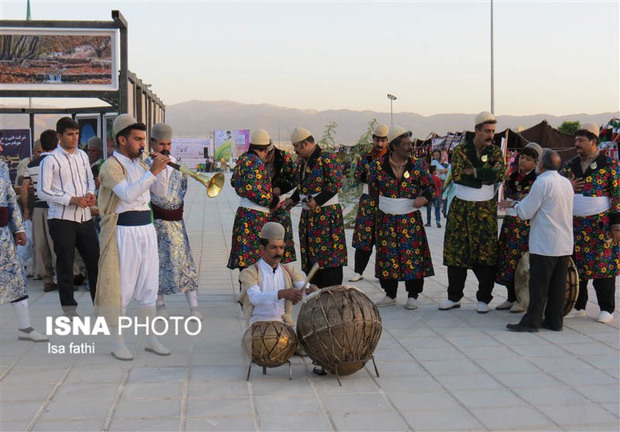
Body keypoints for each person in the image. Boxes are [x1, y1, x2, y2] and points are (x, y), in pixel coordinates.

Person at [94, 114, 171, 361]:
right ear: (122, 139)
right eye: (137, 139)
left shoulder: (141, 164)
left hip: (146, 228)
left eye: (143, 139)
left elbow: (160, 192)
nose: (142, 144)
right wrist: (152, 172)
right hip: (123, 231)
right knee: (122, 287)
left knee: (149, 285)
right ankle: (118, 343)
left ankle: (151, 339)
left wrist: (163, 168)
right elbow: (126, 195)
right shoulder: (110, 166)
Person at [500, 149, 574, 332]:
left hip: (545, 242)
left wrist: (515, 205)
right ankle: (554, 321)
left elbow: (526, 212)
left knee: (539, 285)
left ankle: (531, 321)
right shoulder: (565, 182)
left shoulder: (542, 182)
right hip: (564, 242)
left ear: (541, 164)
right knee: (557, 286)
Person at [440, 111, 506, 313]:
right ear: (476, 130)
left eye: (493, 131)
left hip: (485, 208)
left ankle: (484, 298)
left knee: (485, 254)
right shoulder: (460, 151)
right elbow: (459, 177)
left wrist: (475, 172)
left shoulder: (495, 152)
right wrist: (486, 174)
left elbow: (500, 174)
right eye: (487, 131)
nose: (490, 135)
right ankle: (454, 297)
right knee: (456, 253)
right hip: (461, 207)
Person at [37, 117, 100, 316]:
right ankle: (69, 310)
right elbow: (42, 192)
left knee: (95, 262)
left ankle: (101, 307)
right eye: (70, 134)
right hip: (61, 219)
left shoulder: (82, 155)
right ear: (59, 136)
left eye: (77, 134)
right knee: (65, 265)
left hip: (84, 218)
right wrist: (70, 199)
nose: (74, 138)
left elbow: (89, 180)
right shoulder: (50, 160)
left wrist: (91, 194)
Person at [368, 126, 435, 309]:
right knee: (388, 256)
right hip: (386, 219)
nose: (410, 147)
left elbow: (430, 187)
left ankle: (412, 295)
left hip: (410, 219)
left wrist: (424, 198)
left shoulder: (418, 165)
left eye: (410, 143)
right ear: (394, 146)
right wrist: (387, 206)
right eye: (405, 144)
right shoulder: (377, 166)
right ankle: (390, 294)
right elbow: (373, 192)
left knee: (412, 256)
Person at [561, 122, 619, 323]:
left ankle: (607, 308)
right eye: (575, 140)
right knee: (576, 265)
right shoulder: (570, 166)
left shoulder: (610, 165)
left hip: (600, 224)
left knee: (603, 266)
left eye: (581, 140)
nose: (576, 144)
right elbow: (557, 188)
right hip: (575, 224)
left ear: (593, 141)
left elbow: (617, 196)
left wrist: (616, 225)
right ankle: (579, 305)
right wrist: (568, 185)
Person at [148, 123, 201, 320]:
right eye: (161, 144)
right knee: (157, 264)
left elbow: (182, 188)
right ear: (152, 143)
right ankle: (160, 304)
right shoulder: (146, 165)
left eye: (168, 143)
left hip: (177, 224)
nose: (165, 148)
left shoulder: (177, 164)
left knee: (185, 263)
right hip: (156, 224)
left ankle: (194, 306)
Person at [282, 127, 347, 288]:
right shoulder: (304, 163)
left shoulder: (326, 158)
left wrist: (317, 201)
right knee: (312, 255)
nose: (295, 150)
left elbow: (335, 184)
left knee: (328, 256)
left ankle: (331, 290)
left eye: (296, 146)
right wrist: (293, 199)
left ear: (305, 144)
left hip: (326, 216)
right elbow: (303, 186)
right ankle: (315, 288)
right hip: (309, 217)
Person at [0, 141, 49, 342]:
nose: (2, 149)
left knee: (16, 278)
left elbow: (10, 197)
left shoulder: (2, 165)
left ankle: (25, 328)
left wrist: (18, 227)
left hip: (3, 235)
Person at [238, 222, 316, 327]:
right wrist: (281, 294)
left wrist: (311, 291)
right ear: (262, 248)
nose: (278, 252)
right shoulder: (250, 273)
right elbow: (255, 298)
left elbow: (303, 286)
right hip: (257, 325)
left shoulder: (290, 271)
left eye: (281, 247)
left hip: (284, 325)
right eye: (273, 247)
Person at [495, 143, 541, 313]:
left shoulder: (537, 180)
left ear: (535, 163)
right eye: (522, 157)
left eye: (528, 159)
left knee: (522, 263)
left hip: (525, 227)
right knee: (507, 260)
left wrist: (516, 202)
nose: (523, 162)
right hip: (509, 225)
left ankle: (523, 299)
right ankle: (511, 297)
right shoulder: (511, 177)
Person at [227, 129, 275, 272]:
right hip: (256, 217)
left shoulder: (242, 159)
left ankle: (245, 292)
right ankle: (253, 293)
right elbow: (255, 192)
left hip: (243, 213)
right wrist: (273, 200)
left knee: (245, 257)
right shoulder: (257, 163)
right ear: (266, 149)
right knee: (255, 259)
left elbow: (234, 182)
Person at [20, 129, 58, 292]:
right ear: (57, 143)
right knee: (57, 244)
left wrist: (27, 209)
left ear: (41, 145)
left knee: (41, 245)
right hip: (56, 208)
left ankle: (48, 279)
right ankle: (65, 276)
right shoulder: (58, 161)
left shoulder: (32, 164)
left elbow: (24, 188)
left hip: (38, 209)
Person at [350, 124, 388, 282]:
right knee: (363, 238)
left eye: (383, 141)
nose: (379, 144)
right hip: (367, 201)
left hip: (386, 201)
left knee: (385, 238)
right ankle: (358, 271)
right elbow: (358, 176)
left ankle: (384, 273)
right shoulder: (365, 158)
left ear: (387, 141)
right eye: (377, 140)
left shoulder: (391, 159)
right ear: (373, 139)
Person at [264, 145, 297, 264]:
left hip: (280, 205)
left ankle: (282, 271)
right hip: (262, 207)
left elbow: (295, 178)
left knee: (281, 237)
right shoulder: (255, 158)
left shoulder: (284, 158)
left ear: (273, 151)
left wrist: (281, 189)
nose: (266, 158)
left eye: (268, 155)